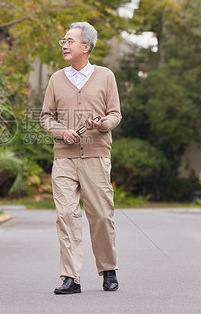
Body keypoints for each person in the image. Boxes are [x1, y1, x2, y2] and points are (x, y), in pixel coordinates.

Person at [40, 22, 122, 294]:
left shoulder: (106, 76)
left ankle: (108, 269)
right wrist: (62, 131)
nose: (64, 45)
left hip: (97, 157)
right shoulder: (55, 79)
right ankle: (70, 277)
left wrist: (103, 125)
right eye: (63, 41)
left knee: (100, 216)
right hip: (64, 158)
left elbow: (115, 114)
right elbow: (45, 118)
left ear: (86, 47)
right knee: (66, 215)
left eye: (70, 41)